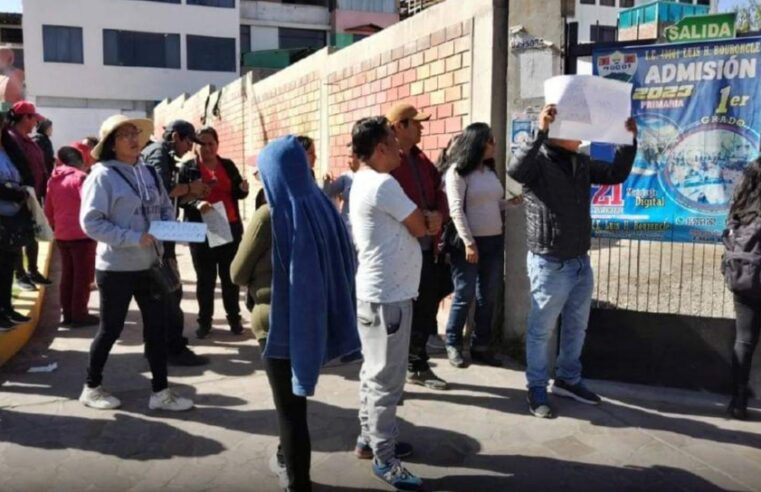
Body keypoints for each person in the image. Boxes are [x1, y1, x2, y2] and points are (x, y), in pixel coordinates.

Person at [242, 135, 360, 491]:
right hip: (314, 318)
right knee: (296, 409)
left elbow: (235, 272)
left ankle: (297, 482)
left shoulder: (271, 214)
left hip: (277, 322)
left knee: (290, 413)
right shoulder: (323, 205)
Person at [508, 104, 637, 419]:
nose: (582, 135)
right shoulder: (536, 163)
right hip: (550, 263)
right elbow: (514, 169)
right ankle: (536, 388)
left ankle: (567, 379)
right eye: (576, 128)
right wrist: (539, 131)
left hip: (580, 262)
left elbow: (615, 174)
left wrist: (627, 141)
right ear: (558, 132)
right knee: (541, 330)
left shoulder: (580, 162)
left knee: (576, 327)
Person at [78, 114, 193, 412]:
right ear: (111, 145)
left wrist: (172, 230)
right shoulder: (102, 175)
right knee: (110, 329)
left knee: (157, 329)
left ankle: (160, 392)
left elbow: (165, 207)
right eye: (123, 135)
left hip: (149, 266)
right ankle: (91, 387)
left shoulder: (148, 173)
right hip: (115, 268)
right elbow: (90, 222)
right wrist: (132, 236)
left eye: (134, 133)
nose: (132, 139)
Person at [350, 116, 428, 491]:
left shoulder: (362, 181)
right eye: (394, 143)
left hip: (379, 294)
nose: (400, 149)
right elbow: (420, 225)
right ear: (379, 149)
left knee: (373, 372)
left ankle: (371, 440)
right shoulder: (383, 184)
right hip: (389, 298)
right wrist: (432, 219)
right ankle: (385, 457)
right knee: (386, 380)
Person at [387, 102, 450, 391]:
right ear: (400, 126)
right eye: (416, 123)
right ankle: (395, 372)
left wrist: (439, 215)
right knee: (399, 317)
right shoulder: (388, 162)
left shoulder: (423, 160)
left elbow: (440, 194)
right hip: (400, 254)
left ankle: (417, 364)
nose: (422, 127)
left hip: (428, 249)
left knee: (425, 310)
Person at [441, 123, 512, 368]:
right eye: (491, 140)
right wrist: (469, 243)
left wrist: (510, 204)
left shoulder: (489, 172)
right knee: (464, 294)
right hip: (468, 243)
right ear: (478, 143)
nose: (494, 144)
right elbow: (456, 211)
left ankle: (481, 346)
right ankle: (452, 343)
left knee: (488, 296)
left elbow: (491, 204)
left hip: (493, 240)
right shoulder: (457, 172)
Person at [142, 120, 209, 366]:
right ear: (175, 137)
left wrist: (192, 192)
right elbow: (162, 191)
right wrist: (190, 187)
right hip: (159, 235)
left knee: (164, 294)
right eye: (189, 141)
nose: (190, 147)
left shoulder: (160, 153)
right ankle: (173, 349)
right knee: (171, 292)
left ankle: (160, 347)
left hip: (162, 231)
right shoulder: (159, 153)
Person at [178, 126, 248, 338]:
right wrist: (197, 204)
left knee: (229, 277)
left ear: (217, 145)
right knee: (205, 279)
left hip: (228, 225)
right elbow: (180, 199)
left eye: (211, 144)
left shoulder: (227, 165)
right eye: (203, 144)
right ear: (196, 146)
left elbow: (237, 192)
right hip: (200, 229)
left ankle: (234, 319)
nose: (207, 148)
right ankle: (205, 322)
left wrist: (243, 189)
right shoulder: (188, 168)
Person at [722, 159, 761, 420]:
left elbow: (729, 231)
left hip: (746, 275)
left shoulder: (742, 203)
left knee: (744, 339)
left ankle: (738, 401)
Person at [44, 146, 98, 327]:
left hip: (62, 234)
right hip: (82, 235)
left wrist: (55, 225)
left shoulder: (53, 179)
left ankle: (67, 314)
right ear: (80, 161)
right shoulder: (81, 178)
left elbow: (48, 209)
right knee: (82, 277)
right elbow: (91, 205)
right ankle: (80, 314)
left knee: (68, 275)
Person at [6, 101, 51, 291]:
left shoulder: (27, 138)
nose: (35, 123)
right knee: (20, 237)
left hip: (34, 196)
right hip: (20, 197)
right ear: (25, 117)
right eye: (33, 118)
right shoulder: (12, 138)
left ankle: (33, 271)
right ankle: (21, 275)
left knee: (33, 235)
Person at [0, 113, 34, 330]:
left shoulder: (8, 147)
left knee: (7, 266)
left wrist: (23, 191)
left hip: (13, 216)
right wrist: (13, 193)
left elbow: (25, 172)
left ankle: (6, 308)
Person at [323, 151, 359, 237]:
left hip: (360, 229)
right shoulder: (346, 177)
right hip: (346, 228)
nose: (348, 161)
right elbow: (328, 193)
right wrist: (327, 182)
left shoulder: (369, 177)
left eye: (351, 157)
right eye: (348, 157)